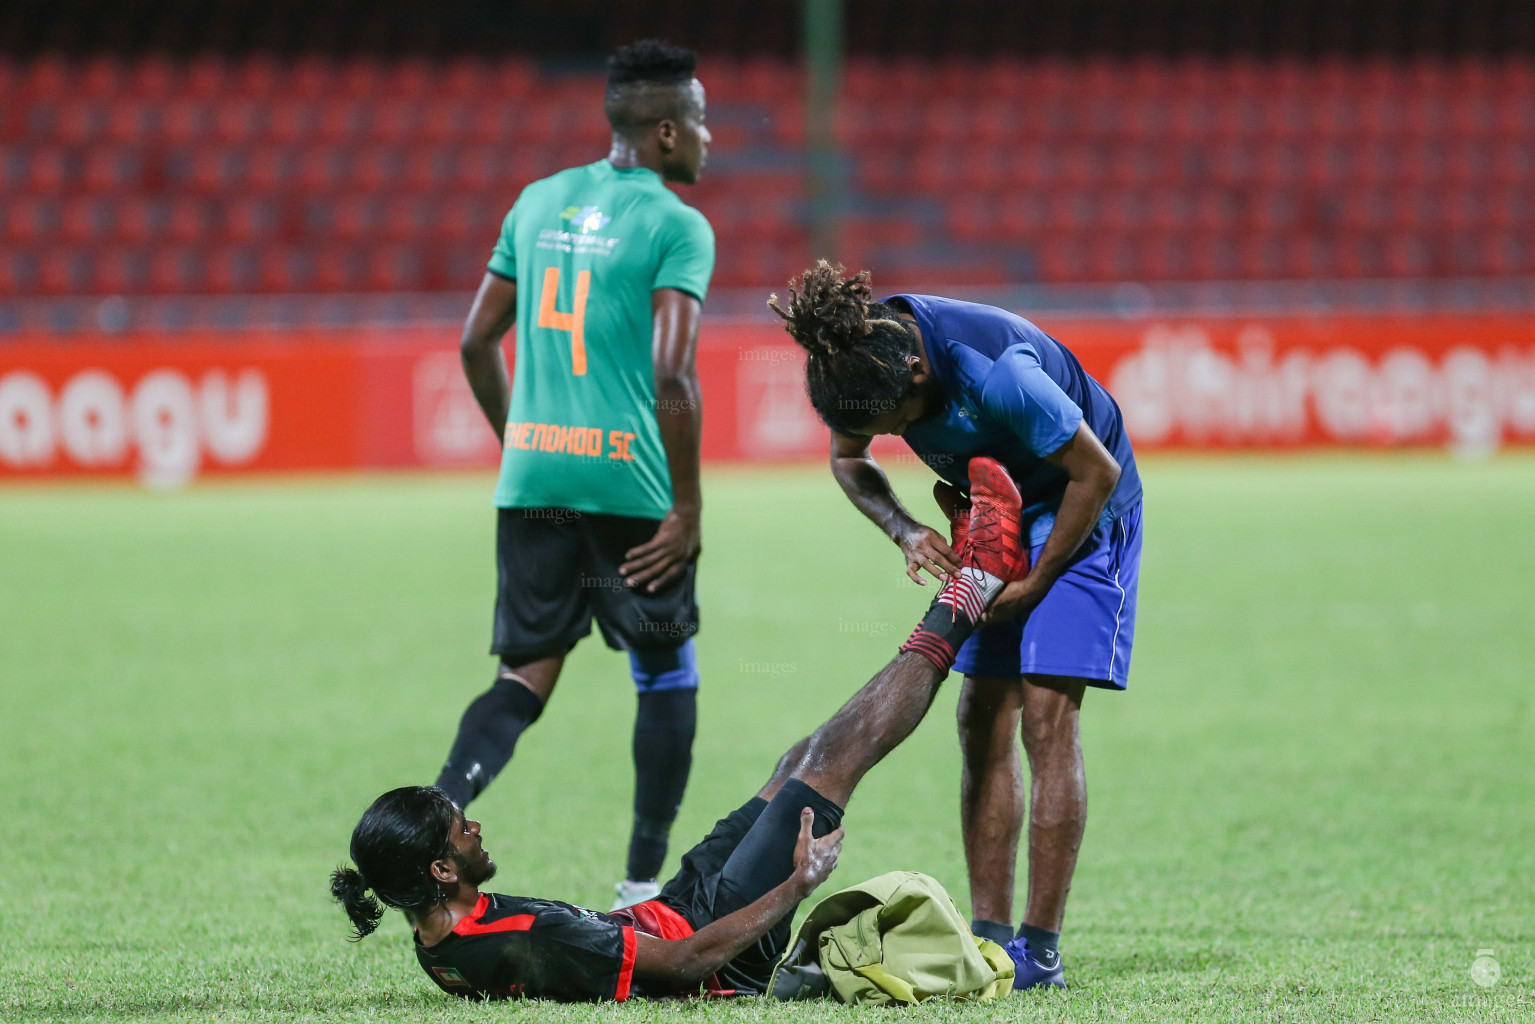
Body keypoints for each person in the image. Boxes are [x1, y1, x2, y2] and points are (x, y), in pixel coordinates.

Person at [332, 458, 1031, 1002]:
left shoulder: (439, 944)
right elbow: (682, 967)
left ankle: (967, 581)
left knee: (797, 761)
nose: (474, 826)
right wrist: (795, 884)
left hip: (678, 909)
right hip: (710, 941)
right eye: (460, 828)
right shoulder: (511, 936)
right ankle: (976, 583)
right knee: (832, 757)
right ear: (440, 869)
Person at [769, 262, 1144, 989]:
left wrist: (1034, 582)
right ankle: (988, 936)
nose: (891, 436)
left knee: (1045, 720)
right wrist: (906, 532)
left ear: (916, 373)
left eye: (897, 426)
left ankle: (1040, 952)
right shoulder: (855, 366)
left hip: (1081, 512)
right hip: (993, 521)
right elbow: (849, 462)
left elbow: (1092, 473)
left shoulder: (997, 375)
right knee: (979, 720)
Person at [435, 39, 715, 910]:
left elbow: (476, 340)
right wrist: (688, 502)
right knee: (665, 673)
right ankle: (639, 884)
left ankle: (432, 824)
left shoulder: (538, 199)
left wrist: (521, 437)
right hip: (626, 485)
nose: (710, 136)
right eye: (701, 120)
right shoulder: (677, 225)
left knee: (525, 675)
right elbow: (672, 372)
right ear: (666, 132)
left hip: (535, 482)